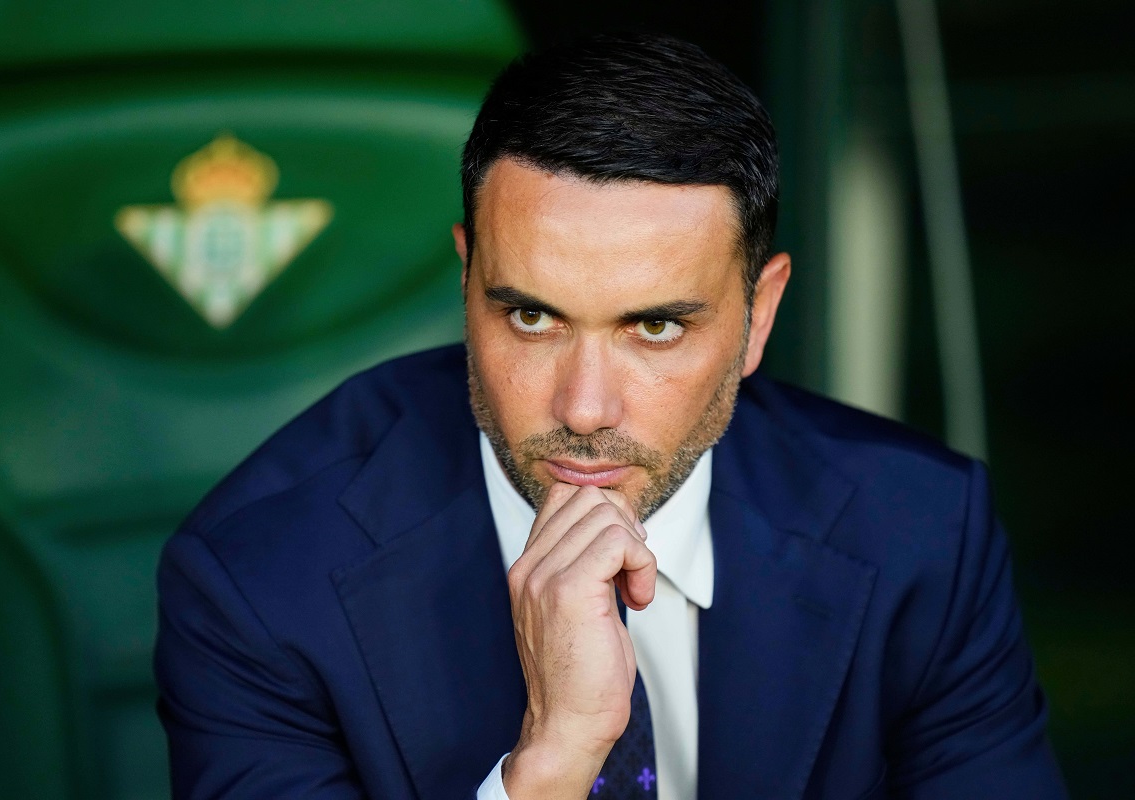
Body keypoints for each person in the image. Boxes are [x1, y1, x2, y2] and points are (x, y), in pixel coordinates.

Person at [154, 33, 1066, 799]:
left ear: (760, 317)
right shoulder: (259, 581)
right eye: (531, 316)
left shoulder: (923, 534)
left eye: (656, 327)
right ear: (466, 280)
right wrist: (552, 764)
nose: (584, 409)